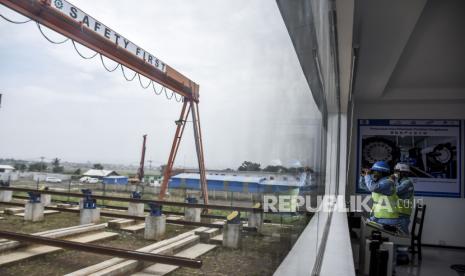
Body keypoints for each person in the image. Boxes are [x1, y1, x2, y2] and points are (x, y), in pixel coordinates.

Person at [360, 161, 400, 227]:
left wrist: (367, 175)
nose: (373, 174)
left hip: (388, 219)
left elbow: (372, 188)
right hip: (378, 217)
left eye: (374, 171)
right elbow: (363, 186)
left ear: (380, 172)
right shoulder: (379, 183)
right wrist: (363, 176)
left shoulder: (388, 183)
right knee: (363, 223)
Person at [393, 163, 414, 234]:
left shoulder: (407, 183)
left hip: (403, 213)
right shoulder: (400, 182)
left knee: (402, 234)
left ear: (402, 173)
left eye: (396, 171)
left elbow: (395, 191)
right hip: (400, 211)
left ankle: (404, 244)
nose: (395, 173)